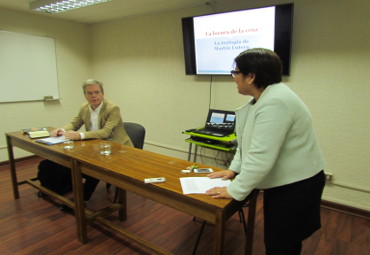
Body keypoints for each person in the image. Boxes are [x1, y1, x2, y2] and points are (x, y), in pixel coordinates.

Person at [205, 48, 325, 255]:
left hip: (297, 185)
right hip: (287, 181)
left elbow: (260, 157)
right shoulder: (264, 99)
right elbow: (247, 144)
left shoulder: (275, 102)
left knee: (282, 245)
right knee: (280, 240)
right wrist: (234, 170)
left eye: (236, 73)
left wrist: (235, 190)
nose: (234, 79)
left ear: (251, 76)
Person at [38, 79, 133, 203]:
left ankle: (81, 201)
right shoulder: (84, 107)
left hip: (117, 148)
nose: (93, 96)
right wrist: (60, 130)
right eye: (89, 93)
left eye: (97, 92)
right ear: (85, 95)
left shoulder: (112, 108)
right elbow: (74, 123)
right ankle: (63, 187)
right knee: (69, 159)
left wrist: (79, 135)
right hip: (96, 145)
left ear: (103, 93)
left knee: (94, 167)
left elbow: (105, 133)